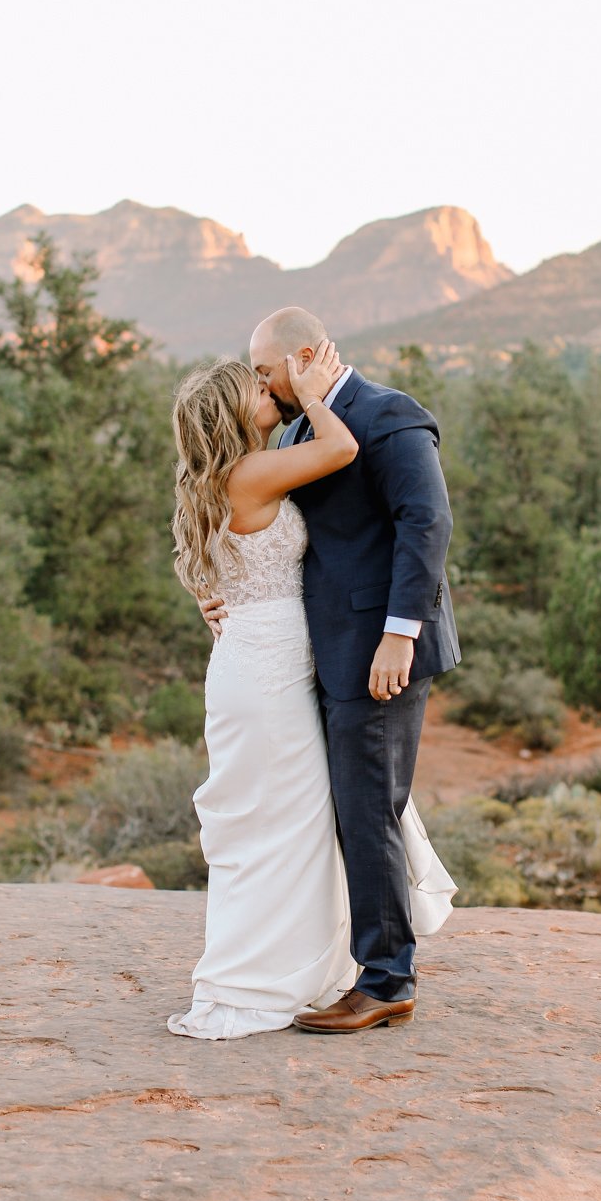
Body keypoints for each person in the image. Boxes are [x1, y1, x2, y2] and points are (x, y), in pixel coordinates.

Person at [167, 337, 454, 1041]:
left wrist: (399, 630)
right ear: (232, 411)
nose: (270, 388)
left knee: (320, 816)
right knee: (290, 822)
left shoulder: (383, 417)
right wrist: (318, 395)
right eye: (258, 385)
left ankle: (349, 970)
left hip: (304, 656)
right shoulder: (271, 455)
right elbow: (336, 458)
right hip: (274, 665)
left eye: (267, 373)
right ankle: (347, 973)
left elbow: (426, 522)